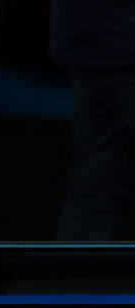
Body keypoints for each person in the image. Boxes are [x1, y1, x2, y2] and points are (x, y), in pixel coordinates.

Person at [50, 0, 135, 240]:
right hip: (104, 37)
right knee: (93, 191)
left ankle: (70, 273)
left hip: (91, 38)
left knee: (93, 191)